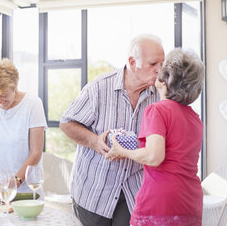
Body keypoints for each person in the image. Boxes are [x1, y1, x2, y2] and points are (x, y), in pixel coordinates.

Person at [60, 34, 165, 226]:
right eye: (153, 64)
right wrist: (94, 141)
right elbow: (66, 123)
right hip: (94, 192)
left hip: (134, 193)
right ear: (133, 63)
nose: (160, 70)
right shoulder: (99, 88)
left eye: (162, 63)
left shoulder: (160, 95)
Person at [106, 48, 205, 226]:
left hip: (160, 201)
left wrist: (122, 151)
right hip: (191, 201)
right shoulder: (195, 119)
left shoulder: (157, 110)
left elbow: (154, 156)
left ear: (165, 79)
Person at [0, 58, 47, 193]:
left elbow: (36, 152)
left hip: (27, 189)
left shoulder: (33, 104)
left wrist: (15, 182)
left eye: (3, 95)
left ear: (14, 87)